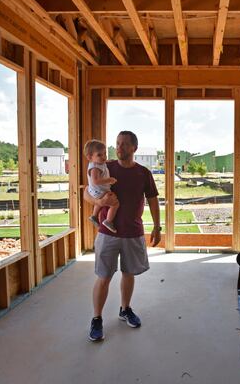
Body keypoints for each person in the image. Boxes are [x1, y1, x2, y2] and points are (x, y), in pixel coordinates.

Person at [83, 131, 161, 342]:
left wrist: (157, 226)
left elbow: (153, 200)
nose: (119, 148)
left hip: (133, 232)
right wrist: (98, 203)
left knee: (129, 273)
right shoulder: (105, 167)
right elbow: (86, 192)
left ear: (134, 148)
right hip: (108, 233)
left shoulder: (143, 173)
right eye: (117, 143)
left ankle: (125, 309)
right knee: (104, 276)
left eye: (124, 144)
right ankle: (97, 318)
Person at [84, 139, 119, 232]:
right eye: (99, 155)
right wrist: (109, 180)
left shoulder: (98, 163)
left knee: (99, 202)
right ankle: (108, 221)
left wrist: (106, 161)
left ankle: (94, 216)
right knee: (115, 203)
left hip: (96, 191)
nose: (103, 157)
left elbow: (102, 163)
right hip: (98, 190)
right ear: (90, 157)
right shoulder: (95, 168)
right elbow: (95, 181)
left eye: (105, 153)